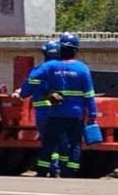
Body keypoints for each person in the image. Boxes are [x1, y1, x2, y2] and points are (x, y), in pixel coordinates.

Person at [30, 32, 97, 178]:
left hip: (56, 112)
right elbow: (89, 95)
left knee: (49, 142)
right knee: (74, 144)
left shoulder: (52, 66)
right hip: (76, 114)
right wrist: (92, 114)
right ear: (76, 50)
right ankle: (70, 172)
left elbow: (33, 79)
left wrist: (45, 92)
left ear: (60, 49)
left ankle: (42, 171)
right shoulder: (82, 69)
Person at [22, 41, 60, 175]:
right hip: (62, 112)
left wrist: (21, 92)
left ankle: (47, 169)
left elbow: (26, 92)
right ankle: (57, 168)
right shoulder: (66, 71)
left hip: (43, 113)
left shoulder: (38, 71)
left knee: (47, 141)